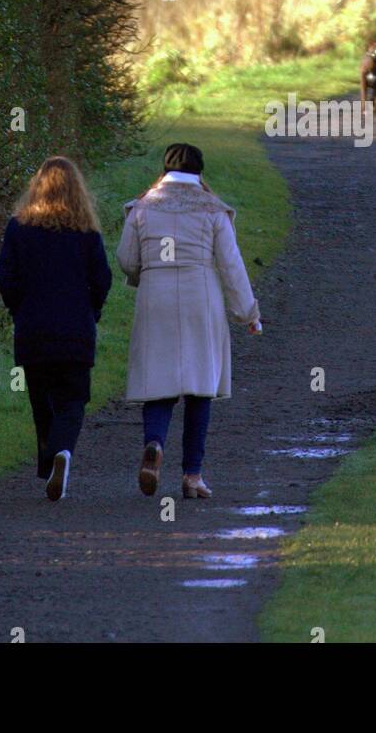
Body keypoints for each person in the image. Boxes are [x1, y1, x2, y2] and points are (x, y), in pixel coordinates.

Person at [118, 143, 262, 500]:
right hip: (202, 297)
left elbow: (126, 258)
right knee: (200, 387)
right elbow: (231, 266)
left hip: (156, 296)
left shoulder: (143, 207)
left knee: (158, 380)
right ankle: (192, 476)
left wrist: (145, 273)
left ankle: (154, 443)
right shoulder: (213, 209)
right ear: (200, 172)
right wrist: (249, 313)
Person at [0, 156, 112, 502]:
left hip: (33, 331)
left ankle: (49, 465)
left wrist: (20, 310)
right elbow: (102, 279)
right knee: (73, 400)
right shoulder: (86, 233)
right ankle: (62, 453)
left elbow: (6, 278)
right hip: (75, 331)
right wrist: (92, 310)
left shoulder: (18, 229)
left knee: (41, 401)